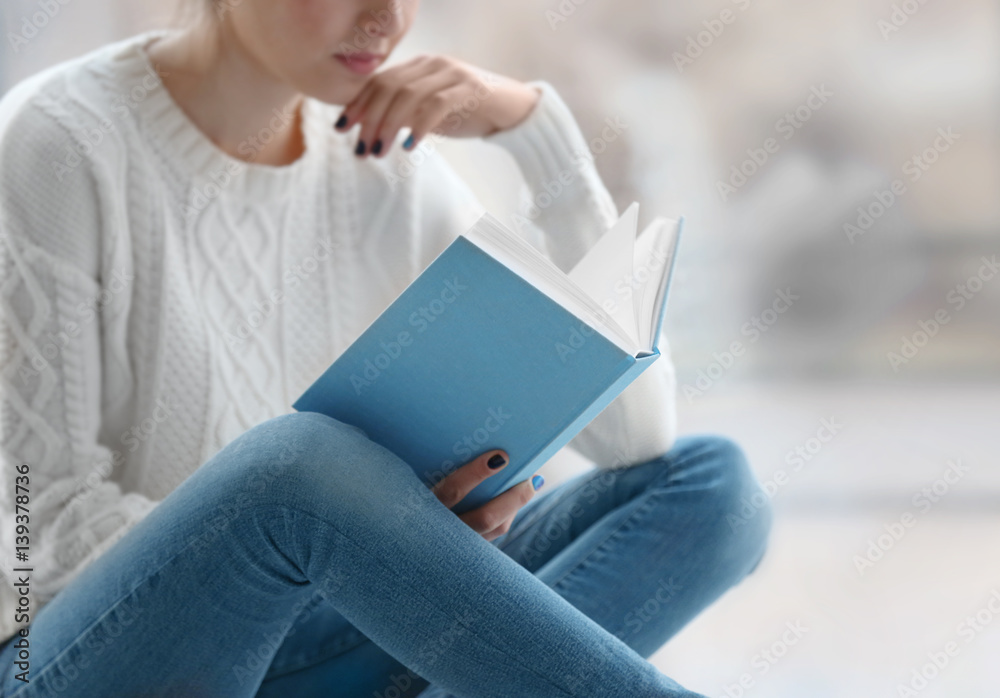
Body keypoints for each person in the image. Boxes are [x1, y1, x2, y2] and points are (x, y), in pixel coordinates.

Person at [0, 1, 772, 695]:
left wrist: (532, 131)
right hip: (69, 661)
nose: (386, 18)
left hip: (320, 636)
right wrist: (371, 537)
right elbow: (39, 540)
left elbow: (635, 435)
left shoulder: (382, 159)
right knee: (299, 470)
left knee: (710, 486)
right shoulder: (59, 141)